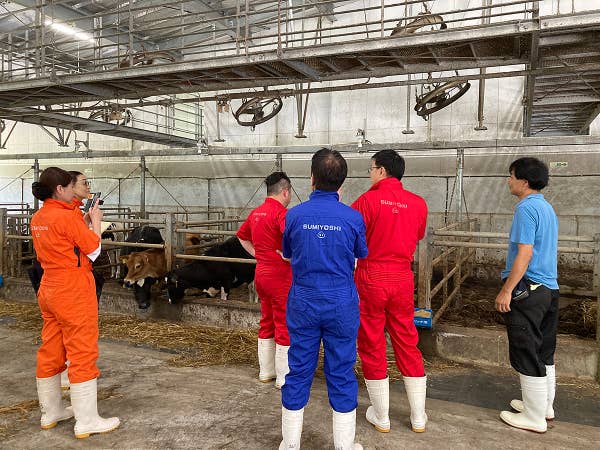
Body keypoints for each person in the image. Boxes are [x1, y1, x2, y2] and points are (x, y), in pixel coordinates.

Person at [280, 148, 368, 450]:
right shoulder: (353, 218)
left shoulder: (294, 215)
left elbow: (288, 253)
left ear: (312, 178)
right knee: (341, 370)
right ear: (342, 182)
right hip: (341, 303)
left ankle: (290, 444)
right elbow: (360, 254)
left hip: (304, 301)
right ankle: (344, 446)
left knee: (298, 369)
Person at [30, 167, 120, 438]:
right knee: (82, 351)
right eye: (71, 186)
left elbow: (63, 240)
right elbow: (93, 250)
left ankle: (51, 412)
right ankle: (87, 421)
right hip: (73, 286)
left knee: (51, 348)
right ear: (60, 189)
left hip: (49, 285)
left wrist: (81, 220)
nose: (75, 190)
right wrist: (95, 222)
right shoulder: (66, 217)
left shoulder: (39, 216)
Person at [351, 150, 428, 434]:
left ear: (381, 170)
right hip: (402, 277)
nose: (370, 174)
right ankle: (418, 416)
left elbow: (352, 236)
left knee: (372, 341)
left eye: (371, 169)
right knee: (407, 340)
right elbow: (418, 235)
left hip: (371, 276)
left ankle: (381, 416)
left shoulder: (366, 201)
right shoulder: (418, 203)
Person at [495, 157, 559, 433]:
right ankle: (543, 407)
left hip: (529, 289)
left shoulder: (525, 208)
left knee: (526, 350)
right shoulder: (546, 207)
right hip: (549, 288)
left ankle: (533, 418)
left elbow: (525, 252)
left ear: (523, 181)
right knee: (544, 350)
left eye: (511, 176)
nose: (508, 181)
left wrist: (507, 289)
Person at [237, 172, 293, 388]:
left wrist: (258, 254)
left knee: (267, 320)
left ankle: (265, 372)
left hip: (261, 274)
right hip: (280, 276)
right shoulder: (281, 214)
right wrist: (289, 257)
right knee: (284, 323)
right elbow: (292, 240)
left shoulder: (256, 213)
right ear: (285, 191)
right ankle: (284, 377)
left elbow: (242, 236)